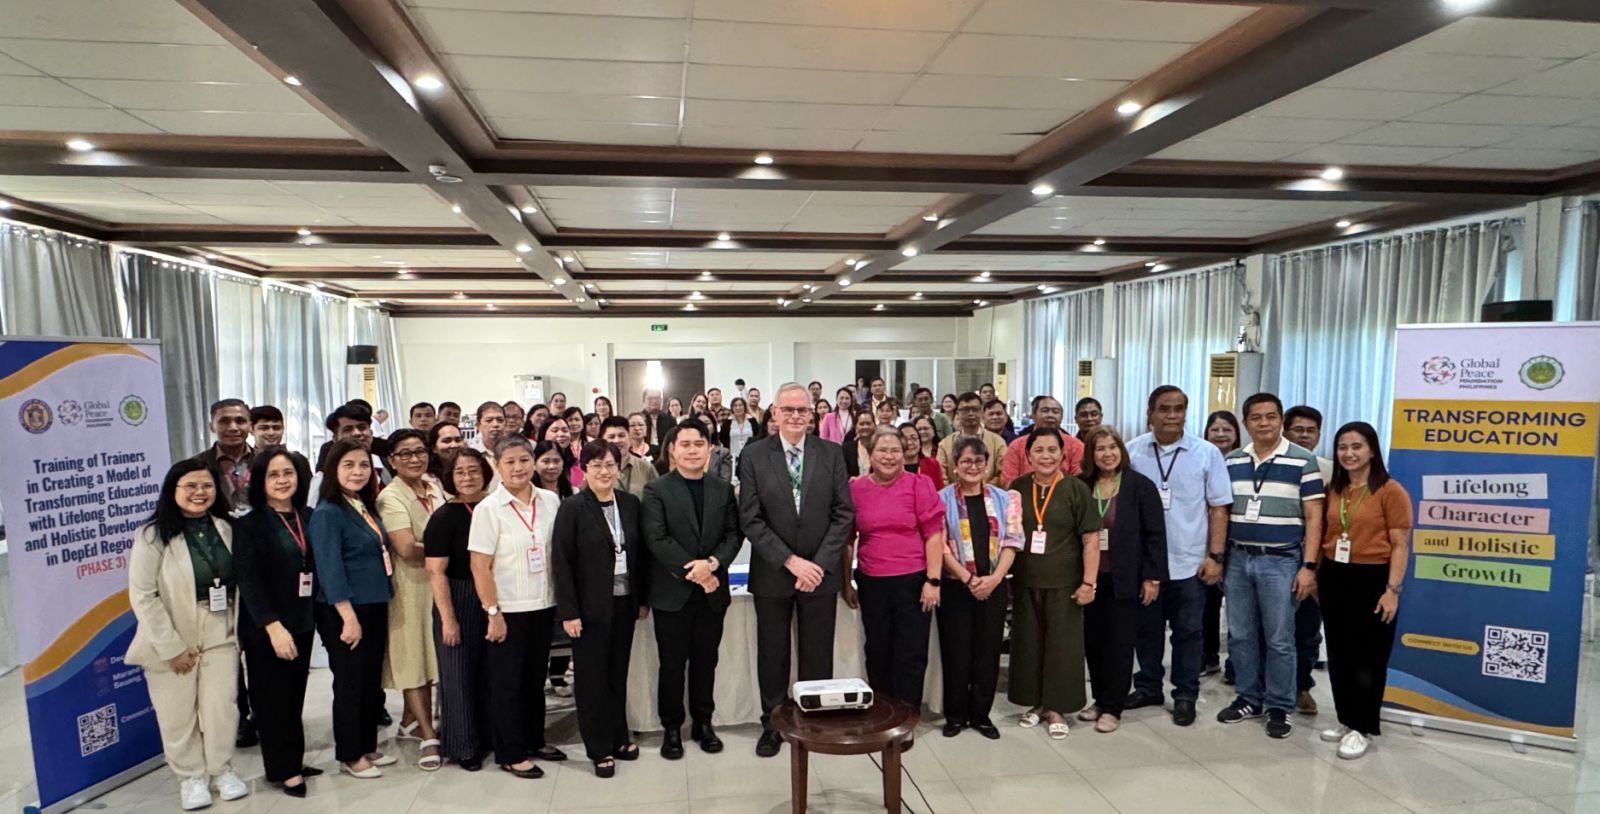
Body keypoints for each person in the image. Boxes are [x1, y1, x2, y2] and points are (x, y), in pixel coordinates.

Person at [739, 383, 855, 757]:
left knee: (817, 651)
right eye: (787, 410)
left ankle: (813, 720)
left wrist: (817, 564)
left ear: (812, 414)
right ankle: (772, 723)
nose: (794, 416)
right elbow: (751, 519)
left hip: (820, 575)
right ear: (774, 413)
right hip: (774, 572)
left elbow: (843, 514)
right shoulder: (754, 455)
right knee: (773, 653)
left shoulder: (832, 454)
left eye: (802, 410)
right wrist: (791, 561)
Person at [126, 461, 250, 810]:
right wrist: (171, 646)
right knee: (176, 713)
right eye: (190, 486)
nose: (199, 493)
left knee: (221, 708)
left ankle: (221, 771)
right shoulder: (152, 535)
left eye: (207, 486)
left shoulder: (227, 527)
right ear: (173, 491)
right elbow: (143, 595)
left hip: (219, 627)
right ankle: (191, 778)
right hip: (171, 631)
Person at [1216, 393, 1324, 740]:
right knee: (1241, 634)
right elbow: (1220, 510)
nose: (1264, 423)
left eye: (1271, 417)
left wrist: (1309, 566)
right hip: (1238, 558)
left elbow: (1314, 516)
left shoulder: (1303, 460)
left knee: (1280, 638)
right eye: (1257, 417)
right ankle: (1248, 698)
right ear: (1246, 423)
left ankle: (1279, 704)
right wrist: (1218, 557)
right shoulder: (1232, 461)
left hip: (1282, 560)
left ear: (1280, 421)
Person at [1124, 387, 1233, 727]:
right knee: (1147, 631)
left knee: (1188, 633)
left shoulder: (1206, 453)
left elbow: (1219, 508)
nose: (1172, 415)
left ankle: (1185, 694)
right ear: (1149, 412)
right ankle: (1149, 686)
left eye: (1179, 409)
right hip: (1147, 566)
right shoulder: (1133, 452)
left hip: (1190, 562)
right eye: (1164, 409)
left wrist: (1215, 556)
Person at [641, 419, 743, 758]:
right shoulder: (657, 490)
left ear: (709, 448)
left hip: (712, 594)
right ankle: (671, 727)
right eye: (684, 444)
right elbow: (657, 539)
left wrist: (711, 565)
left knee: (706, 660)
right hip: (673, 593)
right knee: (671, 663)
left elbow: (733, 535)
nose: (692, 450)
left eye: (699, 444)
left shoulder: (722, 488)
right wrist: (697, 571)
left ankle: (703, 723)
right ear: (672, 449)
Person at [469, 436, 568, 779]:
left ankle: (533, 739)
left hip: (543, 604)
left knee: (533, 679)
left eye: (524, 460)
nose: (518, 467)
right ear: (497, 466)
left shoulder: (551, 500)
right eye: (509, 462)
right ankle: (510, 752)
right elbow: (480, 566)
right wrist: (492, 612)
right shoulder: (488, 509)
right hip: (507, 609)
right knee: (507, 683)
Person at [552, 440, 648, 777]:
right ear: (585, 469)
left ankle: (619, 736)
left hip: (624, 603)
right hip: (588, 607)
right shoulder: (573, 508)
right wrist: (569, 612)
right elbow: (561, 563)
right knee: (591, 679)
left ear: (619, 468)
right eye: (597, 465)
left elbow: (640, 556)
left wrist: (642, 599)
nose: (604, 471)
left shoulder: (631, 504)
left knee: (617, 674)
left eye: (610, 464)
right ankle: (598, 747)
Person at [1315, 421, 1411, 760]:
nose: (1349, 453)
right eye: (1342, 447)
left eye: (1356, 446)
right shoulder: (1334, 488)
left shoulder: (1390, 490)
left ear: (1372, 449)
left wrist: (1392, 589)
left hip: (1373, 579)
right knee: (1340, 654)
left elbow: (1400, 545)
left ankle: (1363, 726)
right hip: (1335, 576)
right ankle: (1346, 719)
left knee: (1368, 658)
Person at [841, 427, 944, 730]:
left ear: (905, 453)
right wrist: (846, 583)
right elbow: (848, 539)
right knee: (878, 650)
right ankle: (882, 715)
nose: (889, 456)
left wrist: (933, 580)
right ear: (869, 455)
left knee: (910, 653)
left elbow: (934, 535)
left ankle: (906, 718)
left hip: (914, 581)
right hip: (872, 581)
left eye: (895, 450)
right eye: (882, 450)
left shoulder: (919, 485)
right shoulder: (856, 488)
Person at [233, 448, 318, 797]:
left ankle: (291, 760)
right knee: (271, 699)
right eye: (273, 475)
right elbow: (249, 582)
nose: (282, 481)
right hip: (267, 627)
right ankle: (284, 769)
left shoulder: (308, 516)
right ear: (260, 481)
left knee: (294, 696)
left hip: (301, 619)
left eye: (288, 474)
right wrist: (272, 627)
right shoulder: (249, 525)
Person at [310, 440, 396, 778]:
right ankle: (350, 753)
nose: (357, 472)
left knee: (369, 682)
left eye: (363, 465)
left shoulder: (360, 505)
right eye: (348, 465)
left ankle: (367, 745)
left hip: (373, 603)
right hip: (346, 610)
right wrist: (348, 617)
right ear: (333, 469)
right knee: (350, 683)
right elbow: (330, 569)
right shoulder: (328, 512)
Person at [1008, 427, 1100, 740]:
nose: (1046, 456)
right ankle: (1037, 704)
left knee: (1063, 647)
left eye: (1052, 450)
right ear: (1028, 455)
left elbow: (1090, 540)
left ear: (1063, 453)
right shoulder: (1017, 488)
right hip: (1026, 580)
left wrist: (1089, 582)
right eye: (1039, 451)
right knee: (1029, 644)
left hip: (1065, 583)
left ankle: (1058, 707)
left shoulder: (1076, 489)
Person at [1077, 426, 1167, 734]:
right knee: (1093, 643)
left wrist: (1152, 577)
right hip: (1089, 579)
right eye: (1100, 448)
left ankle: (1113, 707)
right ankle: (1099, 699)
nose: (1107, 454)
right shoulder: (1080, 485)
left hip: (1124, 579)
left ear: (1121, 450)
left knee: (1119, 644)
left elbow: (1155, 536)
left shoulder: (1139, 486)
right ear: (1091, 454)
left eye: (1112, 447)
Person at [935, 438, 1022, 740]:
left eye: (978, 461)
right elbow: (942, 546)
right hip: (957, 587)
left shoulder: (1006, 498)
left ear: (988, 464)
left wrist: (995, 578)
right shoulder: (941, 498)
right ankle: (956, 715)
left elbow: (1013, 540)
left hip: (994, 585)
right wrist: (968, 579)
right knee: (956, 652)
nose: (972, 467)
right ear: (955, 465)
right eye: (966, 461)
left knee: (987, 652)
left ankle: (981, 715)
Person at [424, 448, 495, 772]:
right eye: (460, 472)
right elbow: (436, 572)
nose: (467, 477)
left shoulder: (491, 508)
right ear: (450, 478)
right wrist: (448, 620)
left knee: (487, 674)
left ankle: (488, 737)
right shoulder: (443, 517)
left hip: (492, 596)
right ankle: (463, 746)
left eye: (473, 471)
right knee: (458, 675)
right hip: (458, 596)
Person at [376, 430, 444, 771]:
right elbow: (404, 547)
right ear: (391, 460)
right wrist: (451, 548)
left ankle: (409, 721)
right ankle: (429, 734)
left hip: (439, 583)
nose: (414, 459)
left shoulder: (434, 486)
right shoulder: (391, 497)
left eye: (419, 451)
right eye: (405, 454)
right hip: (410, 586)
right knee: (413, 658)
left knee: (432, 655)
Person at [1285, 404, 1333, 716]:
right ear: (1285, 432)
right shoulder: (1275, 463)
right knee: (1274, 629)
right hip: (1277, 558)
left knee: (1307, 630)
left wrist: (1314, 566)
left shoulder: (1331, 469)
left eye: (1310, 430)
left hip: (1316, 563)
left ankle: (1302, 687)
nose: (1304, 435)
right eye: (1297, 429)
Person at [1203, 409, 1242, 680]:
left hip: (1240, 545)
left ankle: (1238, 664)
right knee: (1208, 605)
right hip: (1210, 544)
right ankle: (1208, 657)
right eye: (1215, 429)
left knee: (1240, 611)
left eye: (1227, 429)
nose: (1220, 434)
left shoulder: (1243, 462)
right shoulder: (1201, 459)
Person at [1000, 396, 1084, 486]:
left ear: (1061, 417)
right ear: (1033, 414)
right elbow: (1008, 481)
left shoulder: (1076, 445)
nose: (1050, 415)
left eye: (1055, 412)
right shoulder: (1017, 446)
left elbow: (1078, 481)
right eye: (1045, 410)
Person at [191, 398, 255, 516]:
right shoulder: (195, 465)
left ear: (250, 426)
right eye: (224, 421)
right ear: (211, 426)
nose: (233, 428)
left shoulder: (267, 461)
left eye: (240, 421)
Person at [936, 392, 1007, 485]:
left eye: (975, 409)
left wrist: (982, 490)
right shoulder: (945, 444)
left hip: (989, 496)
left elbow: (1003, 473)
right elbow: (940, 475)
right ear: (957, 413)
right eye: (965, 410)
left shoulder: (997, 442)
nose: (971, 413)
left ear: (981, 412)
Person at [601, 417, 657, 497]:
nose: (617, 441)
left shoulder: (646, 468)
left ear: (630, 437)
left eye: (621, 435)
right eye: (611, 437)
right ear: (603, 440)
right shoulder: (596, 470)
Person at [539, 416, 583, 490]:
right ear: (544, 433)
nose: (561, 434)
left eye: (565, 430)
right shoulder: (534, 461)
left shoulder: (576, 464)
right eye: (555, 430)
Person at [899, 422, 945, 491]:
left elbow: (939, 492)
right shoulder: (894, 467)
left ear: (920, 442)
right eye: (905, 439)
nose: (910, 443)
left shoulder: (932, 464)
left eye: (913, 438)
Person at [844, 407, 876, 478]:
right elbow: (842, 472)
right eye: (861, 424)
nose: (865, 427)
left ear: (874, 426)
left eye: (868, 423)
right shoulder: (846, 448)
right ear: (856, 427)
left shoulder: (880, 447)